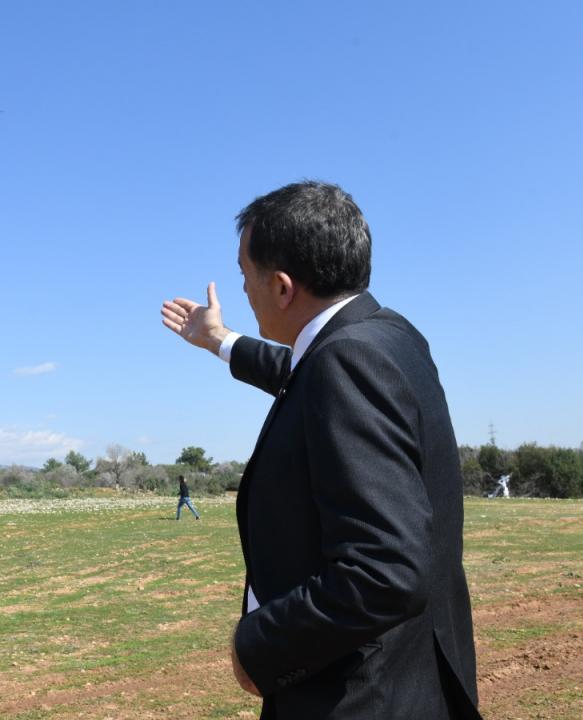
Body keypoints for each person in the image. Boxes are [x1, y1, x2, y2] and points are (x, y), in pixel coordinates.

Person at [161, 181, 482, 719]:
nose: (243, 289)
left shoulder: (346, 363)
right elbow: (304, 375)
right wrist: (219, 340)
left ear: (282, 288)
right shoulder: (388, 337)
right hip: (412, 679)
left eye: (245, 275)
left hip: (357, 695)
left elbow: (385, 571)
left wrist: (261, 646)